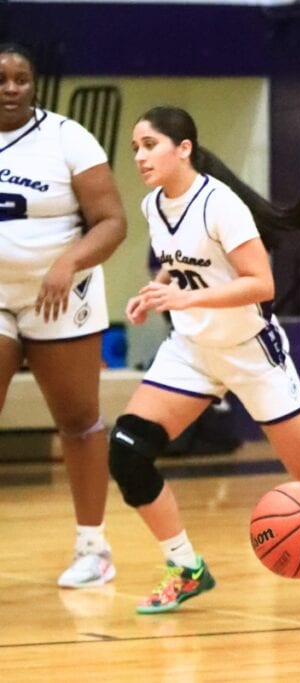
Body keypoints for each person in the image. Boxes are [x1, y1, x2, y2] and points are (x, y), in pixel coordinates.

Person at [116, 106, 300, 613]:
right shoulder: (153, 206)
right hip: (191, 350)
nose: (140, 157)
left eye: (149, 145)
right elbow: (182, 263)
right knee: (126, 450)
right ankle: (185, 567)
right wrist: (159, 289)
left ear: (183, 148)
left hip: (250, 352)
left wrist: (188, 300)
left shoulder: (220, 204)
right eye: (135, 149)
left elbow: (262, 284)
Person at [0, 43, 127, 588]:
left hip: (60, 294)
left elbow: (111, 221)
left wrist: (68, 263)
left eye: (21, 79)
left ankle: (93, 548)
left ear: (34, 85)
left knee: (78, 421)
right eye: (1, 78)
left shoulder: (67, 137)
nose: (10, 87)